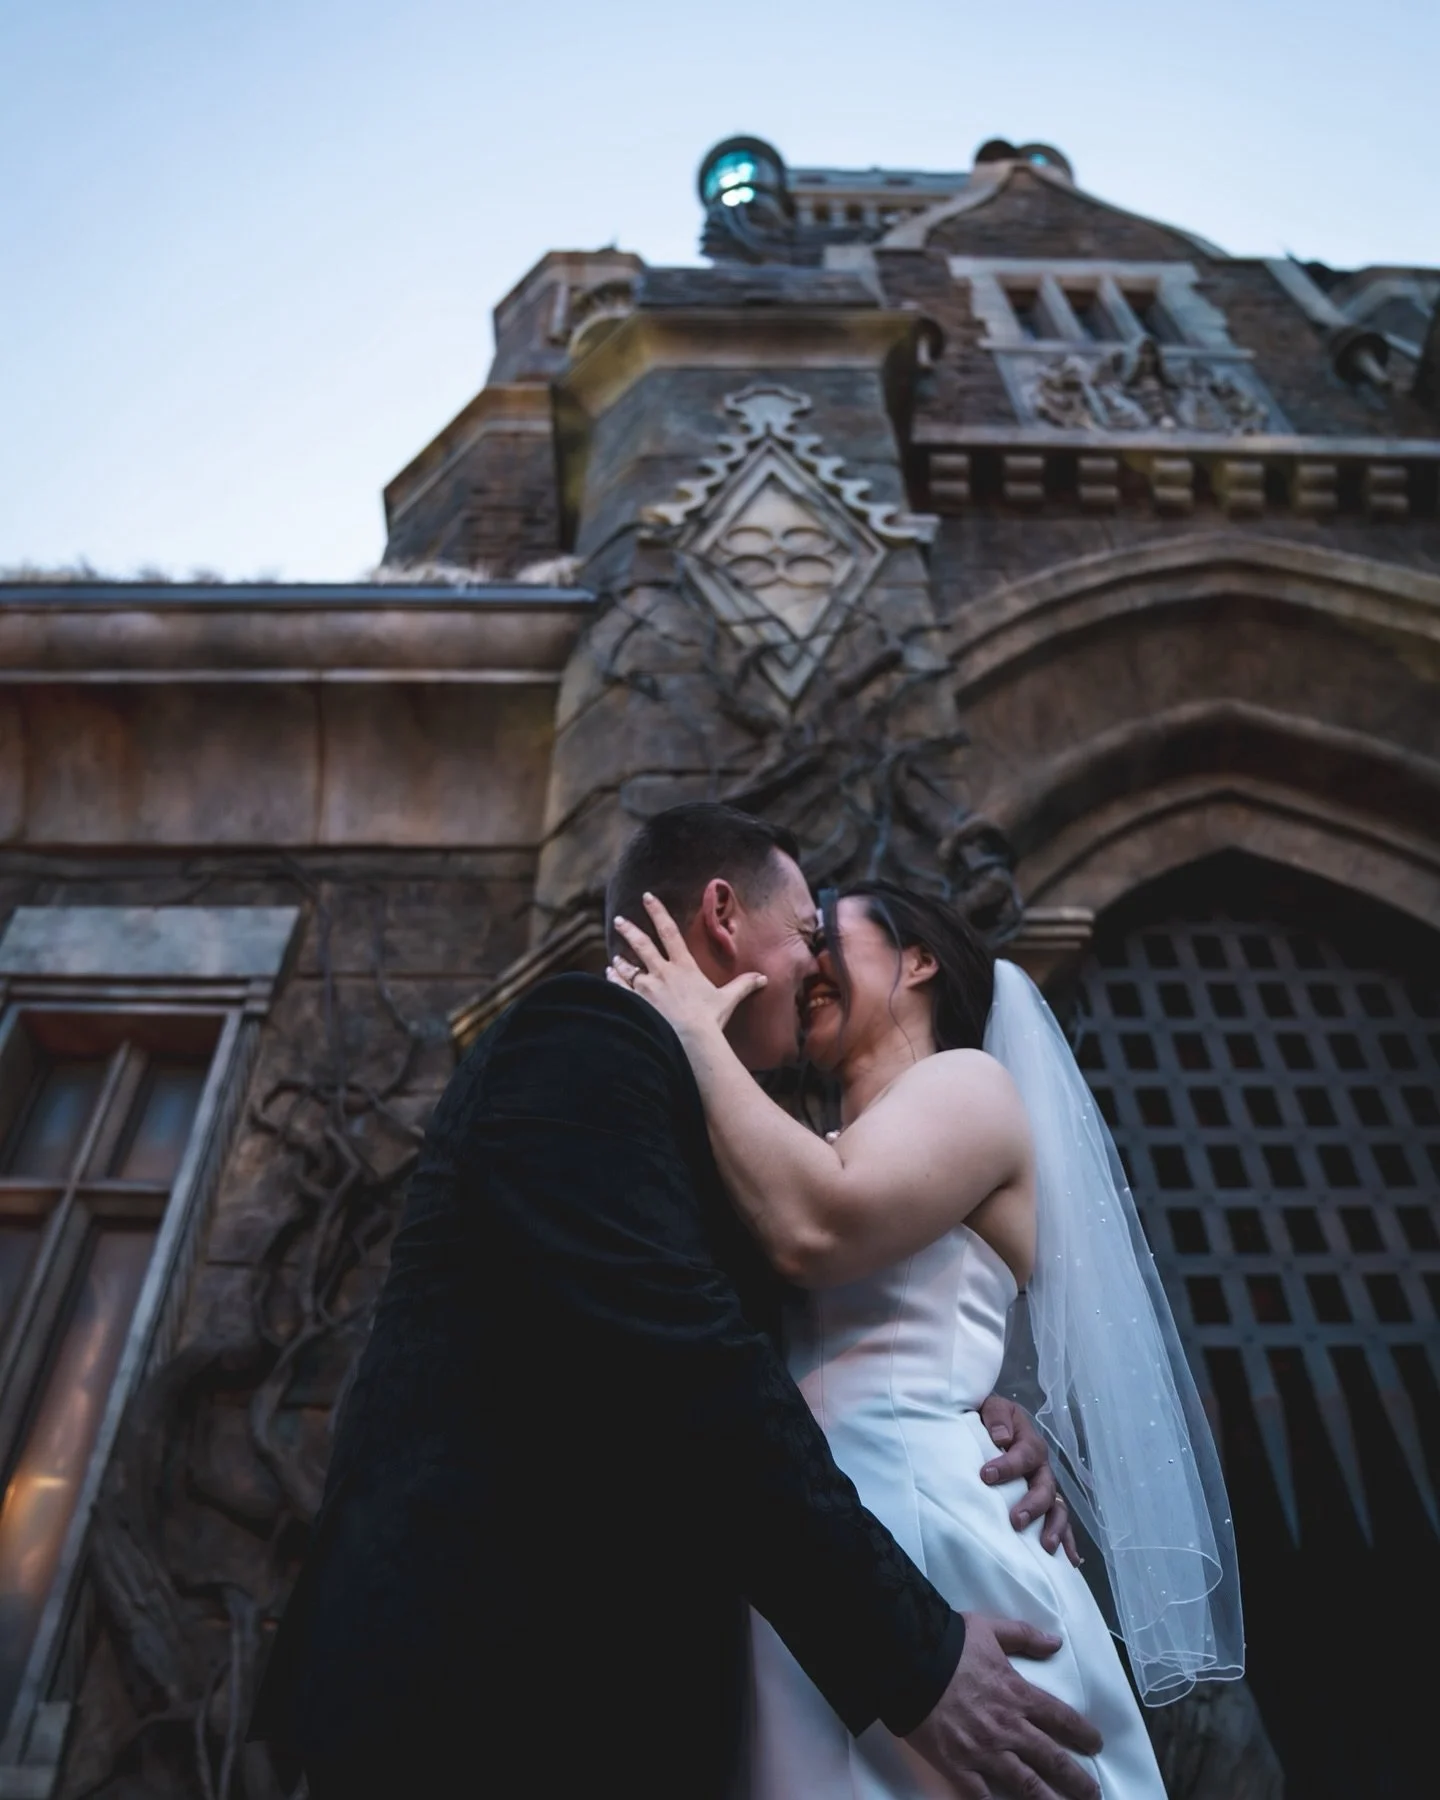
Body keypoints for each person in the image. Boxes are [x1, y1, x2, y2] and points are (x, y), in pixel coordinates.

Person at [252, 805, 1103, 1800]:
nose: (813, 960)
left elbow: (780, 1339)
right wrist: (917, 1664)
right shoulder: (584, 1040)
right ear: (722, 914)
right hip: (486, 1686)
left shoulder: (724, 1120)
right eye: (805, 932)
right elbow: (693, 1367)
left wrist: (987, 1408)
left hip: (628, 1699)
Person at [609, 876, 1244, 1799]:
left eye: (831, 938)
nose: (810, 962)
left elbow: (822, 1225)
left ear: (918, 960)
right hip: (808, 1550)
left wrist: (695, 1030)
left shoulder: (970, 1086)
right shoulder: (798, 1141)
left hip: (927, 1526)